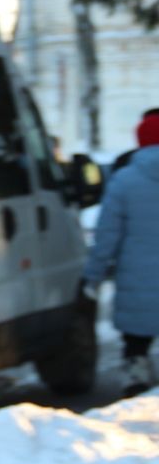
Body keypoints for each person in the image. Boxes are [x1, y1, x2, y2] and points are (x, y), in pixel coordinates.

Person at [84, 111, 159, 397]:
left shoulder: (124, 180)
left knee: (137, 338)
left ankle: (135, 371)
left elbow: (106, 234)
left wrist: (93, 276)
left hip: (137, 276)